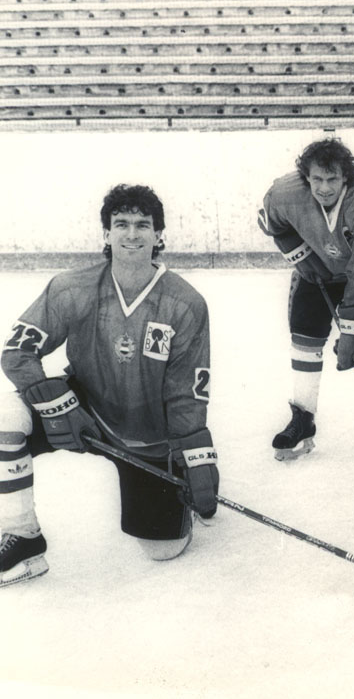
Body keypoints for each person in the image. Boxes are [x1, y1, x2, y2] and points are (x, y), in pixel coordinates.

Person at [0, 184, 219, 587]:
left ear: (159, 234)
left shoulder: (185, 303)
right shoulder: (72, 288)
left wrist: (196, 455)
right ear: (106, 233)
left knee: (162, 550)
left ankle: (179, 506)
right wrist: (57, 405)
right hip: (84, 412)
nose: (132, 233)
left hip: (149, 437)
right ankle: (23, 536)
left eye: (142, 224)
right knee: (4, 417)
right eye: (121, 224)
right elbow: (17, 353)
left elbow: (185, 392)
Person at [259, 138, 354, 461]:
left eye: (332, 179)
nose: (324, 188)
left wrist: (353, 332)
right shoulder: (285, 193)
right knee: (304, 333)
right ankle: (303, 417)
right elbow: (269, 219)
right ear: (306, 177)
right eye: (317, 179)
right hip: (322, 266)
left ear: (346, 178)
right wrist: (301, 256)